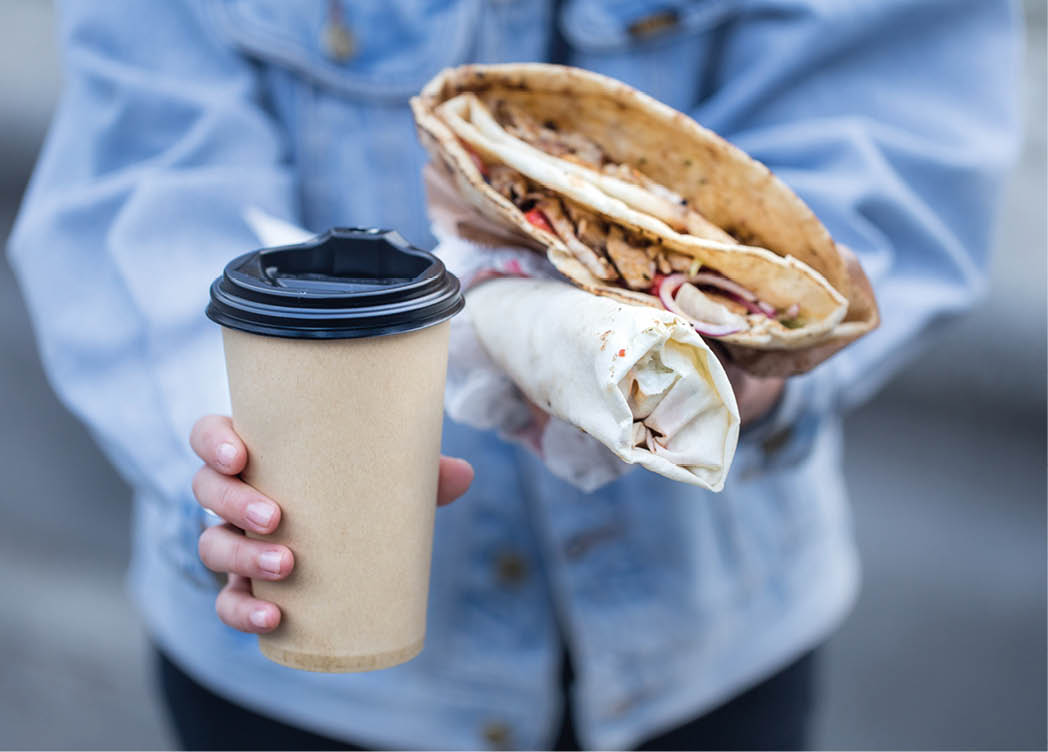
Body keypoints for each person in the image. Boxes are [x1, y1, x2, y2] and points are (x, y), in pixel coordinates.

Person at [8, 1, 1020, 749]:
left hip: (710, 657)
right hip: (299, 694)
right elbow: (144, 167)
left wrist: (755, 356)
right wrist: (245, 440)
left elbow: (891, 92)